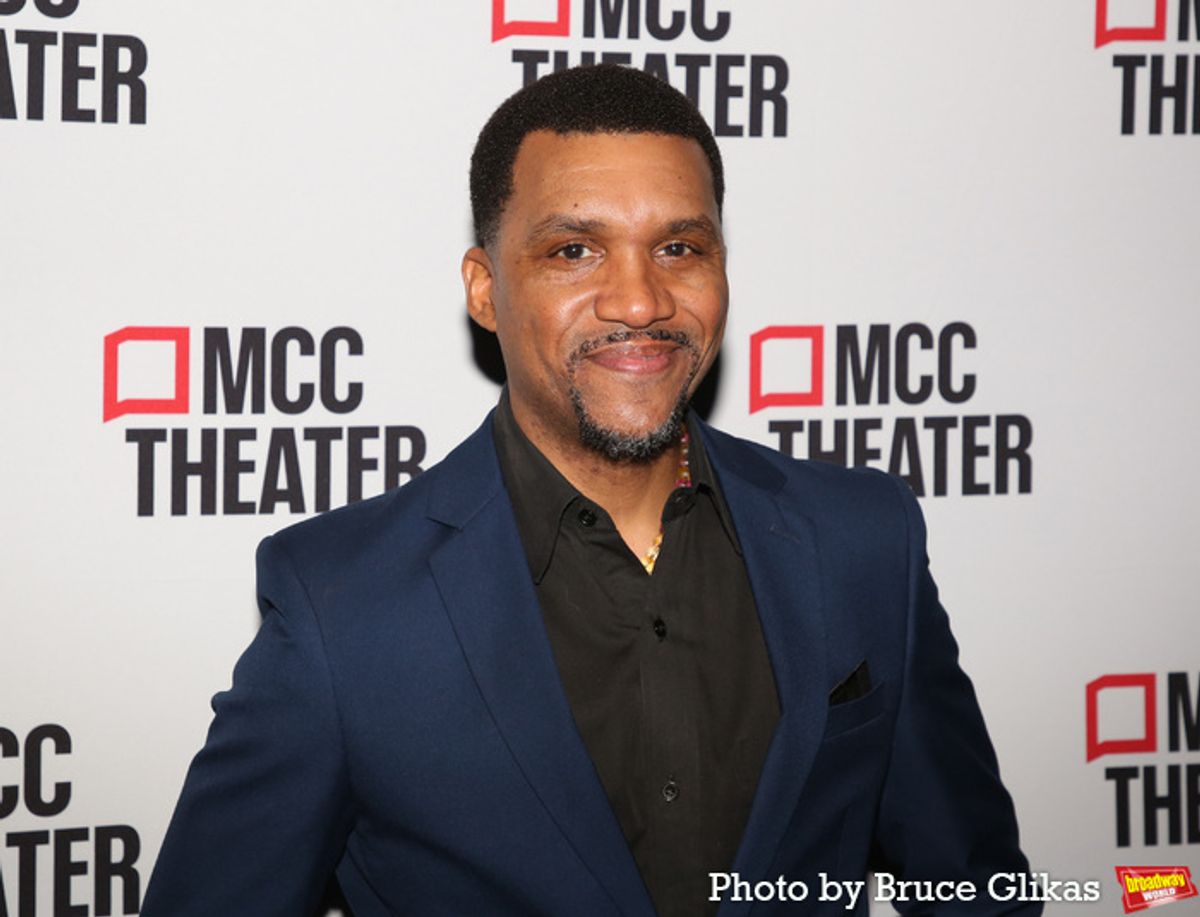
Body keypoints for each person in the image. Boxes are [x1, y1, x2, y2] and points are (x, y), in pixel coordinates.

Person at [142, 64, 1037, 917]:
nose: (641, 301)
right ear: (485, 290)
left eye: (680, 247)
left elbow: (971, 880)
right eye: (575, 250)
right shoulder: (342, 604)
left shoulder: (862, 539)